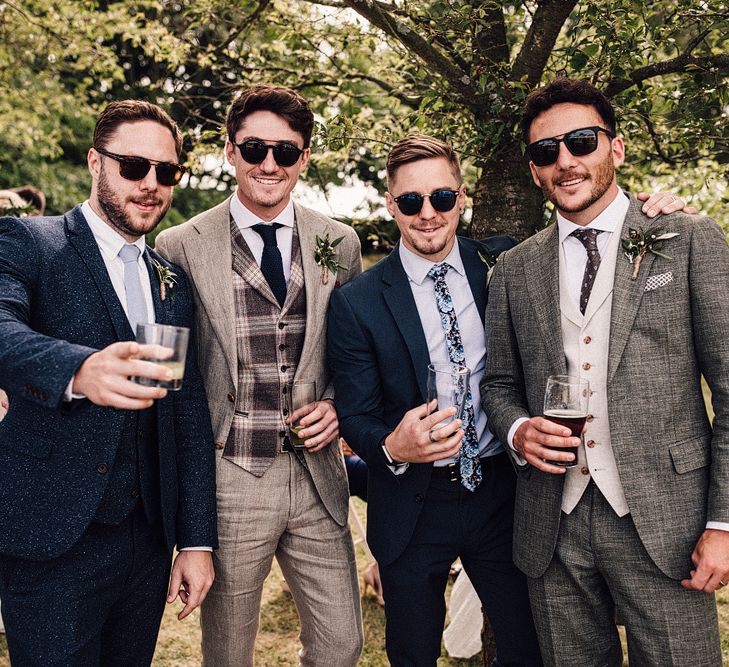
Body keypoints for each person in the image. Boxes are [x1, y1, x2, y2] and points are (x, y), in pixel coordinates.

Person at [481, 77, 729, 666]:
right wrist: (518, 430)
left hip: (668, 521)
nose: (566, 161)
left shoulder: (686, 236)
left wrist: (723, 522)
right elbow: (498, 385)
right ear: (536, 170)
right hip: (553, 522)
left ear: (614, 149)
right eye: (547, 152)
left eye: (582, 142)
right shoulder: (516, 268)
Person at [0, 100, 217, 665]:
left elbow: (182, 412)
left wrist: (194, 541)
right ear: (96, 162)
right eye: (133, 167)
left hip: (146, 544)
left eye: (167, 172)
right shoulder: (31, 242)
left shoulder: (169, 280)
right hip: (52, 542)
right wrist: (76, 369)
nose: (151, 184)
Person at [155, 84, 363, 667]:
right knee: (228, 650)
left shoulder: (338, 242)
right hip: (230, 474)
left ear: (303, 157)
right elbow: (168, 374)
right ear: (230, 151)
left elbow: (354, 352)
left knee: (342, 644)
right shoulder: (178, 246)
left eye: (286, 152)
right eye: (254, 150)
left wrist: (340, 404)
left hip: (319, 475)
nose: (269, 164)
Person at [326, 133, 542, 666]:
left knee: (526, 649)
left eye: (441, 198)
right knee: (412, 654)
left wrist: (654, 214)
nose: (428, 214)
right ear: (390, 206)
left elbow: (586, 233)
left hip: (501, 494)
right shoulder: (357, 303)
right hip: (413, 506)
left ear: (461, 197)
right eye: (411, 201)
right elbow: (354, 415)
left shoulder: (505, 263)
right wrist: (394, 446)